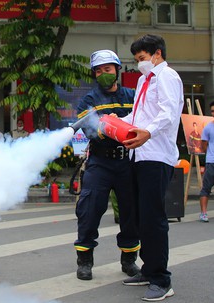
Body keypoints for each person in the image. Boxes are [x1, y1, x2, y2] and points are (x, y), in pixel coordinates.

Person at [121, 34, 183, 302]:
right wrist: (117, 120)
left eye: (143, 59)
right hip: (139, 156)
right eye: (136, 61)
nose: (139, 65)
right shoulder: (144, 81)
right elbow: (137, 117)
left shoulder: (167, 77)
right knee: (140, 218)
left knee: (154, 219)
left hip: (157, 156)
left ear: (157, 54)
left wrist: (147, 132)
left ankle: (161, 279)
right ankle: (148, 269)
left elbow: (168, 114)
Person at [74, 50, 140, 281]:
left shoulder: (132, 95)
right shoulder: (89, 100)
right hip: (100, 163)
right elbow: (86, 128)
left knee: (130, 213)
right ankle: (85, 260)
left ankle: (129, 259)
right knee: (90, 210)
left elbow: (142, 121)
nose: (103, 74)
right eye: (99, 71)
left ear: (117, 70)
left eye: (108, 69)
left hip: (126, 162)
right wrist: (102, 128)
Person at [198, 101, 214, 223]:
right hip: (211, 162)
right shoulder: (208, 128)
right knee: (206, 188)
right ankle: (203, 213)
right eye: (212, 111)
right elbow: (203, 146)